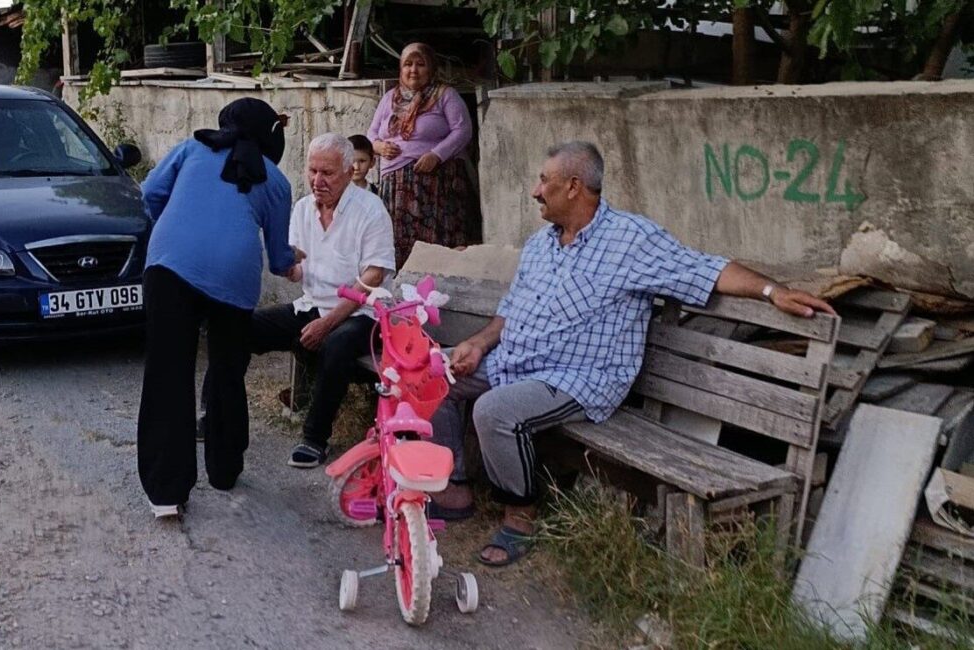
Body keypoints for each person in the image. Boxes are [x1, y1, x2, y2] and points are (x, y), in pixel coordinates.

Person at [427, 141, 836, 566]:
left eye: (542, 181)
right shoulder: (540, 244)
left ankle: (520, 517)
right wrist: (478, 342)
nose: (534, 191)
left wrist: (774, 291)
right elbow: (510, 312)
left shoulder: (632, 240)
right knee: (431, 371)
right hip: (515, 359)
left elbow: (706, 270)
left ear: (573, 187)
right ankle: (454, 490)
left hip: (580, 376)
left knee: (494, 411)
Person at [137, 98, 296, 519]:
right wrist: (294, 263)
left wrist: (174, 225)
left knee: (167, 373)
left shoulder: (191, 148)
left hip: (169, 263)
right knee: (227, 369)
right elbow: (279, 259)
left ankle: (166, 494)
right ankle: (224, 470)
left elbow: (149, 194)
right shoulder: (277, 181)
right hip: (233, 277)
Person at [248, 133, 396, 468]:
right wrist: (290, 268)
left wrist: (328, 323)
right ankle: (215, 413)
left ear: (348, 171)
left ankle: (315, 439)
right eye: (312, 171)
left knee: (337, 343)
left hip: (364, 313)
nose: (318, 181)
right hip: (313, 305)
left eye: (327, 173)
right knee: (243, 328)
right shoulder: (302, 208)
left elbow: (373, 277)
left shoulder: (370, 210)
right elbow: (300, 269)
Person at [368, 42, 479, 268]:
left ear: (432, 68)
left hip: (437, 184)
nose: (413, 70)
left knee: (436, 248)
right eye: (408, 64)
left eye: (421, 64)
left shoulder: (445, 95)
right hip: (395, 187)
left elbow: (463, 130)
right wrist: (379, 147)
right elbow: (370, 133)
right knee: (396, 242)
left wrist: (436, 155)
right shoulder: (390, 97)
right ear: (400, 69)